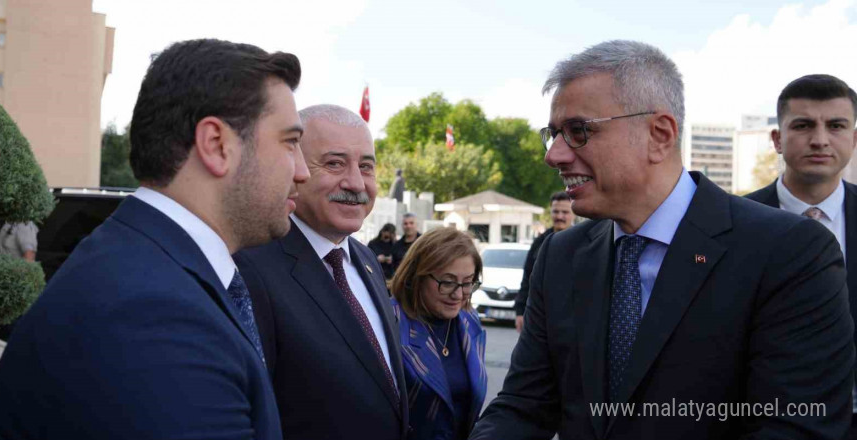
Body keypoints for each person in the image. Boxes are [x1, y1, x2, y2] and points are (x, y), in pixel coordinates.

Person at [470, 40, 854, 440]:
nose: (555, 156)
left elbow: (795, 427)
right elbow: (522, 406)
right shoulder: (561, 254)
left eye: (579, 131)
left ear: (659, 134)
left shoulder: (790, 252)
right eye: (553, 134)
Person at [0, 38, 309, 439]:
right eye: (291, 142)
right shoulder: (151, 312)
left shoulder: (148, 270)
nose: (303, 171)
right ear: (216, 145)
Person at [234, 104, 408, 440]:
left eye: (367, 167)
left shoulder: (366, 260)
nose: (356, 183)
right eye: (334, 163)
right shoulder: (250, 268)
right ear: (295, 168)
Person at [745, 74, 857, 436]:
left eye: (836, 126)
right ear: (777, 139)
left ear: (854, 139)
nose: (820, 139)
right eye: (804, 125)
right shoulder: (732, 223)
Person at [390, 227, 487, 440]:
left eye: (468, 282)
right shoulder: (389, 321)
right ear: (417, 276)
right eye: (448, 282)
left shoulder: (470, 322)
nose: (458, 294)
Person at [514, 191, 573, 332]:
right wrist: (520, 311)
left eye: (565, 212)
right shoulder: (539, 242)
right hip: (540, 315)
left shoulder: (585, 242)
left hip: (571, 317)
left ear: (573, 213)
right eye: (556, 211)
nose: (559, 216)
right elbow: (527, 276)